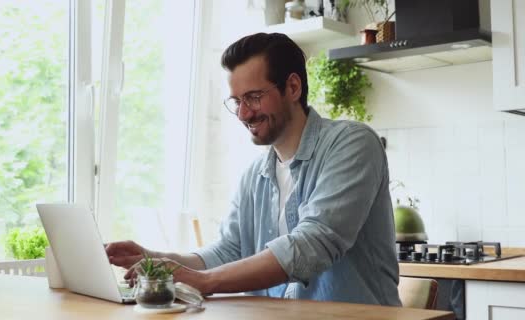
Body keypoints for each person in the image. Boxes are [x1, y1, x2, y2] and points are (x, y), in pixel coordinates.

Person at [106, 32, 401, 306]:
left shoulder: (352, 144)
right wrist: (155, 259)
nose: (243, 114)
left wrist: (204, 281)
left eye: (254, 97)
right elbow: (228, 251)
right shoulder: (255, 175)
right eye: (237, 101)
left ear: (293, 87)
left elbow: (314, 243)